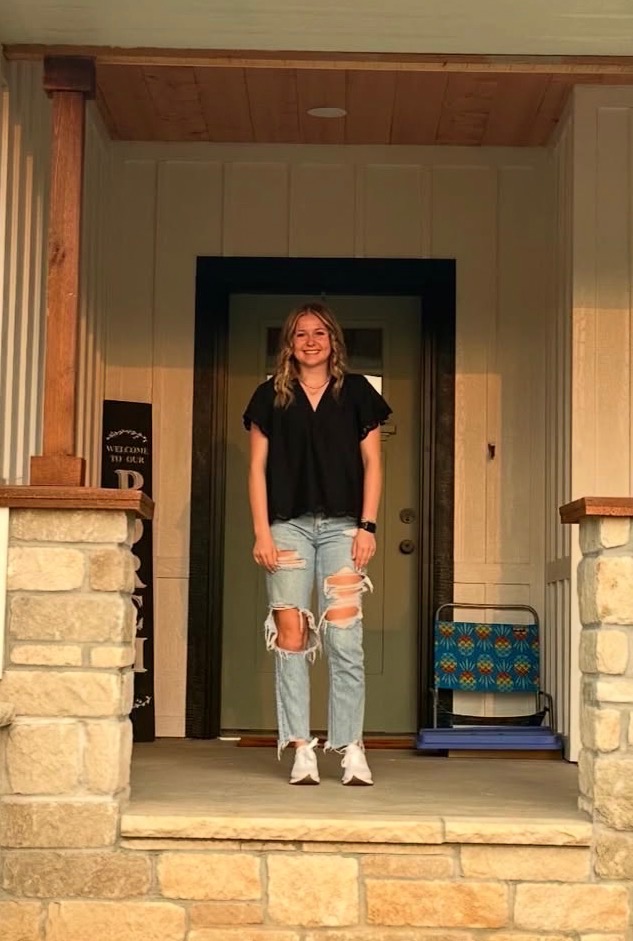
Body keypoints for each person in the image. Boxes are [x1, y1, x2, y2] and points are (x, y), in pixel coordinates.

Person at [242, 301, 392, 786]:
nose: (311, 341)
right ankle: (301, 747)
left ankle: (351, 747)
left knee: (345, 638)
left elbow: (373, 463)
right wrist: (262, 532)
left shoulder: (357, 393)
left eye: (320, 333)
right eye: (301, 334)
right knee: (291, 635)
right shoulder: (269, 395)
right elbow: (256, 469)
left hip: (343, 528)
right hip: (287, 528)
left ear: (333, 342)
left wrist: (367, 527)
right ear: (289, 343)